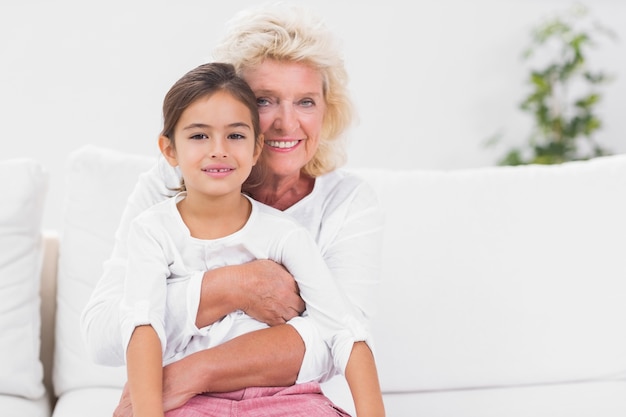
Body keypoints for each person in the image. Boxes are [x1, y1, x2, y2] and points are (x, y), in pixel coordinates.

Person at [80, 2, 385, 416]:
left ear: (327, 110)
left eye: (306, 102)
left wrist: (191, 372)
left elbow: (336, 339)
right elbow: (105, 334)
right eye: (265, 100)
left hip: (281, 397)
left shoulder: (339, 206)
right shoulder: (166, 193)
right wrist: (232, 286)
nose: (286, 123)